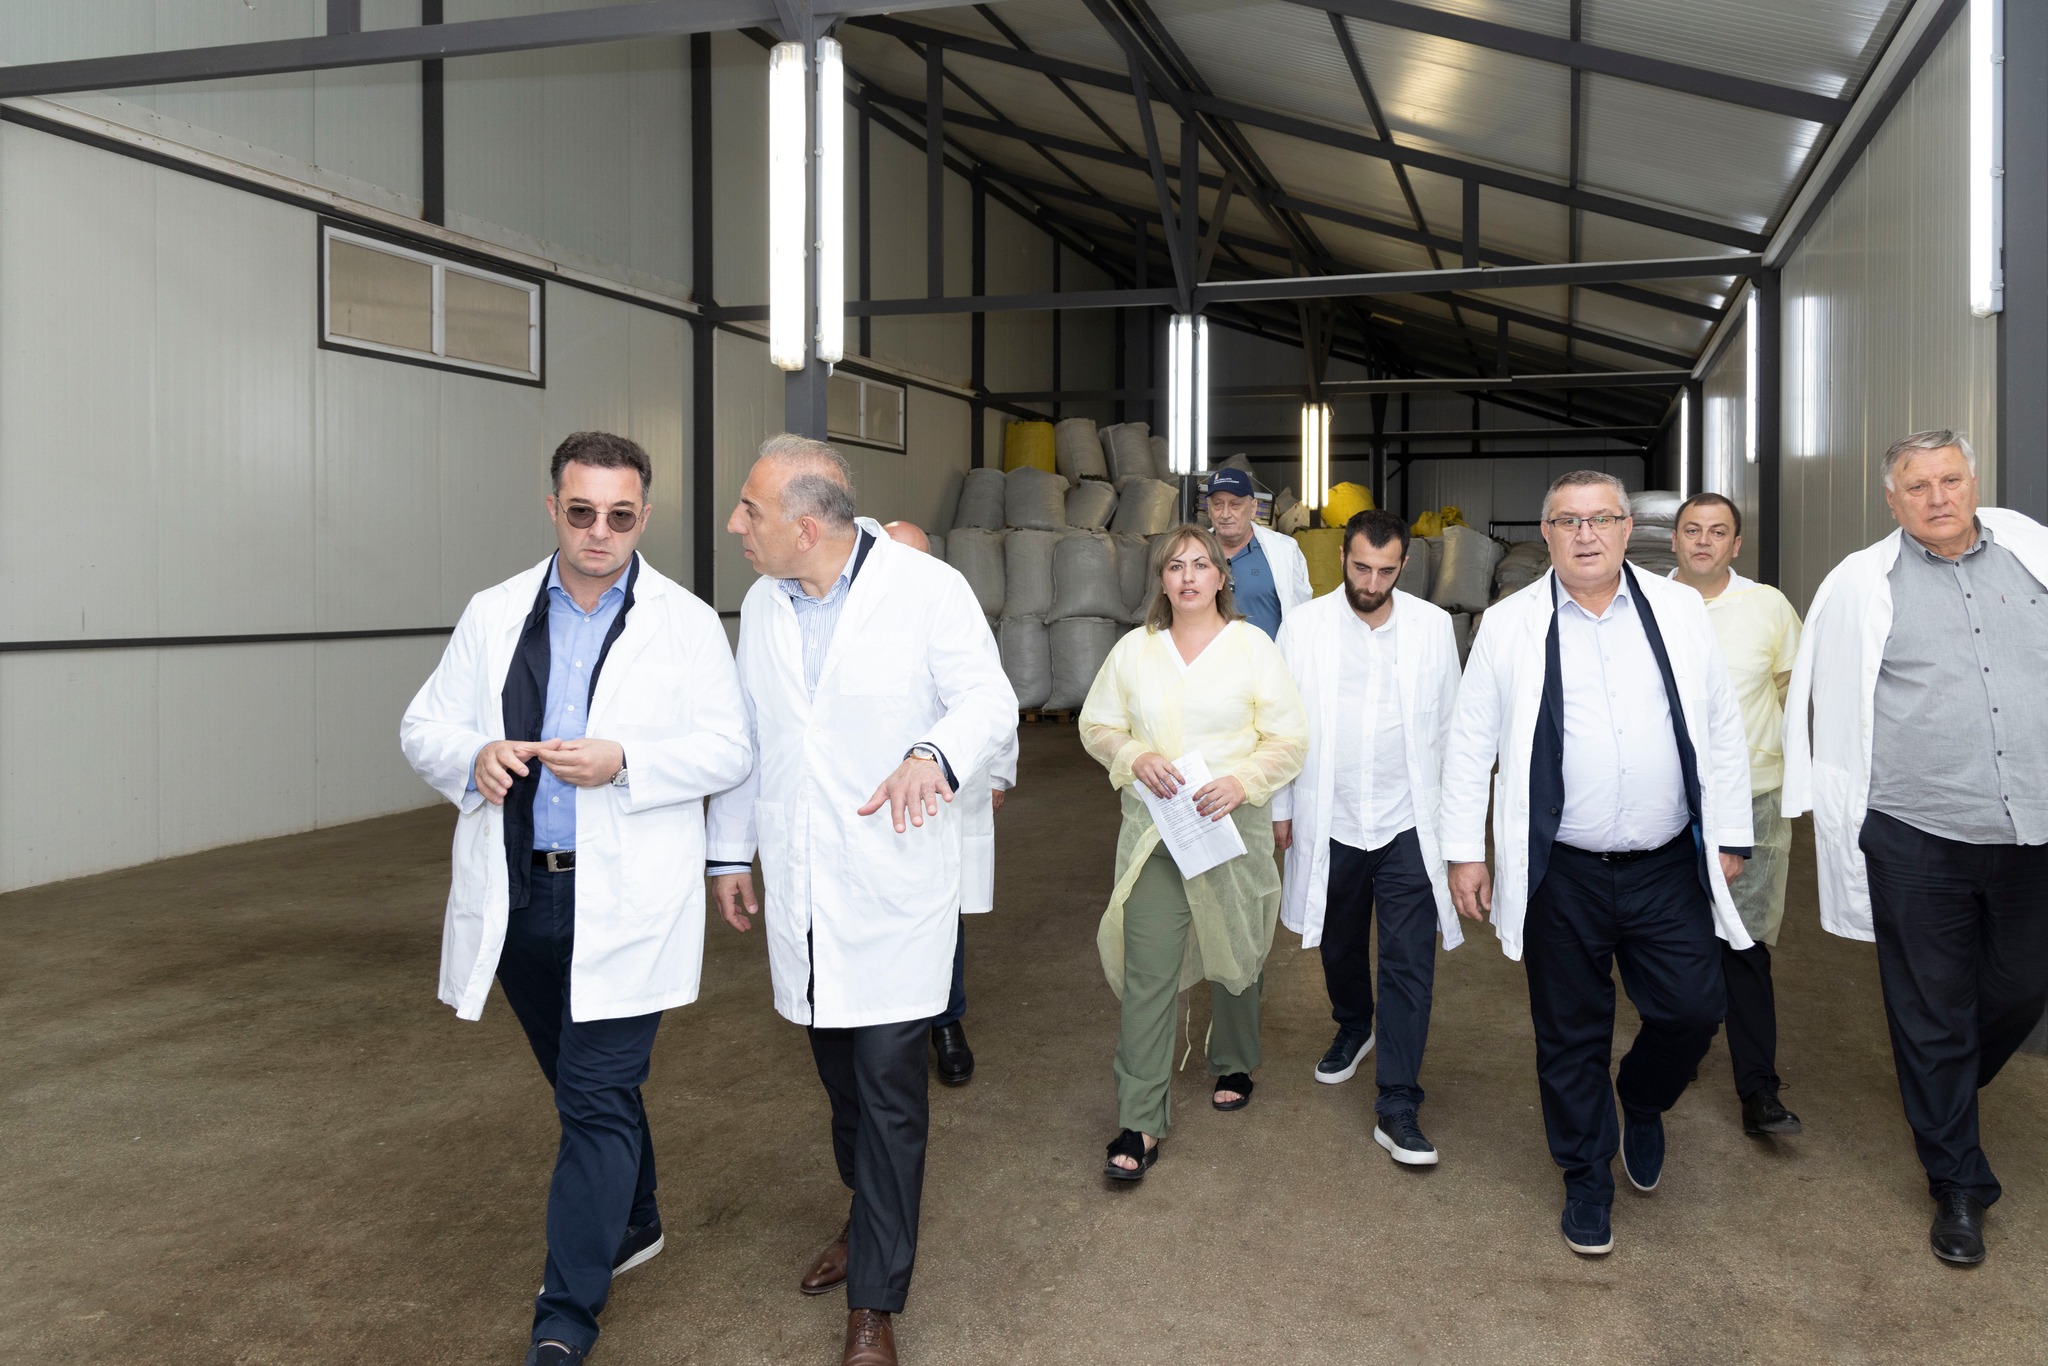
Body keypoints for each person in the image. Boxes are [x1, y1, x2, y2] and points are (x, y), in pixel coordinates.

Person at [399, 432, 752, 1366]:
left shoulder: (684, 623)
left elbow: (731, 748)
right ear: (553, 507)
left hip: (627, 900)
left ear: (645, 517)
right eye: (583, 511)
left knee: (594, 1098)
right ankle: (635, 1216)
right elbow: (424, 724)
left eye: (621, 516)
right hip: (520, 897)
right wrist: (473, 754)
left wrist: (626, 760)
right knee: (584, 1086)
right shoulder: (496, 612)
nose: (601, 531)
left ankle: (564, 1319)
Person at [706, 438, 1017, 1366]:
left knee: (888, 1093)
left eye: (751, 510)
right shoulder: (765, 605)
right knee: (841, 1081)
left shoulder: (927, 591)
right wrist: (728, 851)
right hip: (804, 884)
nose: (735, 524)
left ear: (807, 527)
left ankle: (875, 1302)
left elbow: (989, 700)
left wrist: (933, 754)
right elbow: (751, 737)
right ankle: (866, 1212)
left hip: (892, 888)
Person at [1440, 471, 1753, 1258]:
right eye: (1567, 521)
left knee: (1693, 1009)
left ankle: (1641, 1099)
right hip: (1562, 869)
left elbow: (1719, 724)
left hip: (1665, 862)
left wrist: (1732, 835)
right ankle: (1586, 1176)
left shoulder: (1677, 610)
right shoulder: (1509, 624)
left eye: (1601, 519)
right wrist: (1465, 851)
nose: (1585, 534)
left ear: (1625, 531)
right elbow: (1470, 742)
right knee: (1569, 1033)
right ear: (1545, 534)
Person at [1783, 429, 2048, 1267]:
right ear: (1891, 500)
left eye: (1950, 479)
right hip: (1914, 833)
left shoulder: (2034, 558)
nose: (1938, 497)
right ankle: (1958, 1183)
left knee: (2022, 985)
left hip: (2032, 824)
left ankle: (1946, 1083)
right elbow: (1824, 698)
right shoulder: (1861, 584)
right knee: (1929, 1009)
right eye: (1917, 486)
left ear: (1973, 480)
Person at [1077, 524, 1308, 1181]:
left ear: (1221, 577)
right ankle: (1140, 1118)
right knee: (1149, 971)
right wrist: (1134, 754)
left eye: (1200, 565)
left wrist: (1243, 782)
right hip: (1158, 832)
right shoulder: (1135, 650)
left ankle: (1233, 1058)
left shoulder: (1253, 647)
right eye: (1175, 566)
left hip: (1229, 826)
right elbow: (1097, 723)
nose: (1187, 577)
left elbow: (1289, 738)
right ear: (1162, 579)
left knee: (1238, 949)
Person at [1273, 509, 1464, 1166]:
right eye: (1361, 568)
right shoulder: (1303, 627)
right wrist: (1280, 806)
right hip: (1331, 815)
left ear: (1404, 565)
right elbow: (1280, 725)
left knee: (1409, 959)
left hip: (1408, 820)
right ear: (1343, 560)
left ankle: (1398, 1102)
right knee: (1339, 941)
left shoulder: (1432, 628)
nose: (1372, 583)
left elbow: (1451, 728)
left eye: (1386, 571)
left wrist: (1457, 832)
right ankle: (1355, 1024)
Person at [1668, 492, 1804, 1138]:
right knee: (1675, 938)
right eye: (1692, 530)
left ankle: (1759, 1090)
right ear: (1674, 540)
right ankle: (1682, 1047)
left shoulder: (1768, 607)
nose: (1704, 541)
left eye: (1717, 531)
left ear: (1736, 544)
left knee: (1745, 945)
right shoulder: (1647, 604)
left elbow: (1790, 690)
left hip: (1753, 799)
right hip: (1669, 802)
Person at [880, 518, 1020, 1085]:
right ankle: (889, 1026)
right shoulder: (854, 617)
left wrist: (999, 775)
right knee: (879, 913)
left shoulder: (948, 606)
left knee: (941, 912)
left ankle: (946, 1021)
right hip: (874, 799)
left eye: (916, 557)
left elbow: (990, 695)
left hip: (944, 789)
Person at [1203, 466, 1312, 638]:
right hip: (1207, 655)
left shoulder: (1284, 550)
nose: (1225, 514)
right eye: (1218, 504)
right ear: (1209, 509)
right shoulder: (1194, 552)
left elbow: (1302, 615)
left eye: (1235, 505)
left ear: (1253, 508)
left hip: (1268, 655)